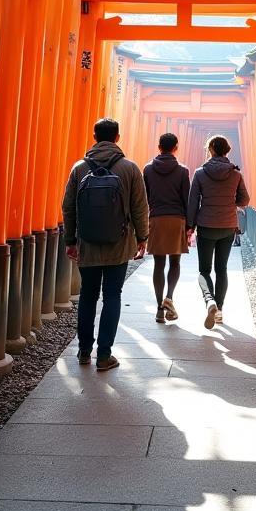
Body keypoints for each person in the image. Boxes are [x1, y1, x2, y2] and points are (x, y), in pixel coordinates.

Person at [62, 118, 148, 371]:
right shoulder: (130, 168)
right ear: (117, 138)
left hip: (87, 242)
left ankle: (83, 352)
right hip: (119, 243)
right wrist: (142, 237)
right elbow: (140, 207)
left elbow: (68, 207)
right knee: (112, 296)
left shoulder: (79, 168)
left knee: (88, 295)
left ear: (94, 136)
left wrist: (70, 239)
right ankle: (104, 356)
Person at [187, 135, 250, 329]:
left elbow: (192, 202)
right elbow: (245, 200)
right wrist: (231, 204)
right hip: (228, 226)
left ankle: (210, 301)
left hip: (206, 226)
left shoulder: (199, 173)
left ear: (211, 149)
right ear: (227, 151)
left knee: (204, 270)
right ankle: (220, 310)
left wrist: (190, 227)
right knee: (221, 269)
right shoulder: (236, 174)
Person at [142, 132, 191, 324]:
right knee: (175, 263)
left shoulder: (147, 169)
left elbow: (143, 198)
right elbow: (186, 199)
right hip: (176, 218)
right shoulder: (182, 171)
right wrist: (190, 225)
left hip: (156, 218)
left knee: (158, 264)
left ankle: (159, 309)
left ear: (159, 146)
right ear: (176, 147)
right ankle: (169, 298)